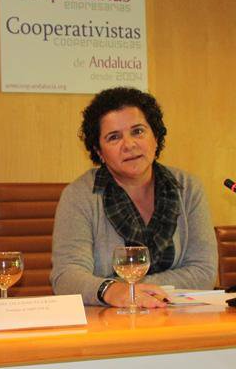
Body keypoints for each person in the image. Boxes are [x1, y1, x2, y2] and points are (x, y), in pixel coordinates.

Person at [50, 87, 217, 308]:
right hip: (109, 320)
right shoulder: (79, 196)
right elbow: (66, 276)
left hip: (177, 316)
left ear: (155, 137)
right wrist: (110, 291)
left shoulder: (188, 188)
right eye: (114, 137)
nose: (129, 145)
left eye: (138, 131)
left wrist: (132, 289)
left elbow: (204, 271)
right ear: (99, 152)